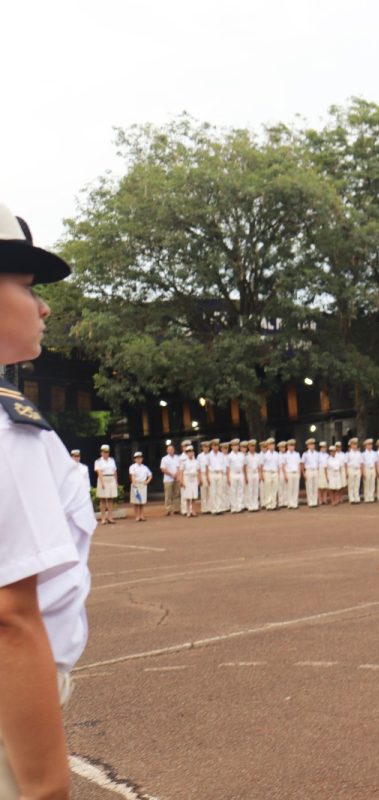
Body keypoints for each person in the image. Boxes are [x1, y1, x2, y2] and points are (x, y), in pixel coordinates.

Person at [0, 202, 94, 800]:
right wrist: (45, 788)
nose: (44, 307)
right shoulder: (8, 430)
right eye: (28, 286)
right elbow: (9, 618)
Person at [94, 443, 118, 525]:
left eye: (107, 452)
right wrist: (102, 483)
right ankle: (103, 518)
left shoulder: (112, 460)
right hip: (103, 478)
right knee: (103, 499)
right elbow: (99, 472)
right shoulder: (98, 461)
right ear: (101, 452)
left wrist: (116, 481)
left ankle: (110, 517)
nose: (105, 454)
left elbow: (115, 471)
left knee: (111, 499)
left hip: (111, 479)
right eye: (104, 452)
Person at [128, 452, 152, 522]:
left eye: (140, 458)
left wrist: (147, 481)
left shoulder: (145, 467)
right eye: (137, 458)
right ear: (135, 459)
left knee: (142, 501)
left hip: (143, 484)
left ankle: (141, 515)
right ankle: (137, 516)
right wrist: (134, 483)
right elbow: (132, 475)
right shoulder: (132, 467)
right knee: (136, 502)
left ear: (142, 459)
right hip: (136, 484)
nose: (139, 459)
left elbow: (150, 475)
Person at [160, 443, 180, 516]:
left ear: (174, 450)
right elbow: (163, 469)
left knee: (177, 494)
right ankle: (168, 509)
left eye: (172, 449)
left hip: (176, 478)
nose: (171, 451)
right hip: (168, 479)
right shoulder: (164, 458)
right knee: (168, 495)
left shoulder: (177, 457)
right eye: (169, 449)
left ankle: (176, 509)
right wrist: (172, 474)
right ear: (167, 451)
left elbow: (179, 467)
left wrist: (176, 474)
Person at [180, 443, 200, 517]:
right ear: (187, 453)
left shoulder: (196, 461)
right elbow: (181, 471)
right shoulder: (184, 462)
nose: (190, 453)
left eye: (191, 452)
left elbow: (198, 471)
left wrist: (198, 480)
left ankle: (193, 511)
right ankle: (188, 511)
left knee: (194, 496)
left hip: (194, 478)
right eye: (189, 452)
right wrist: (182, 481)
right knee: (188, 496)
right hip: (187, 478)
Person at [362, 437, 377, 503]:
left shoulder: (374, 453)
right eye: (368, 444)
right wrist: (363, 472)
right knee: (367, 484)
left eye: (371, 444)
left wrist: (376, 471)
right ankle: (367, 497)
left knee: (372, 483)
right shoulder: (363, 454)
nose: (370, 446)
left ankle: (371, 497)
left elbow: (375, 463)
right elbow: (362, 464)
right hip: (367, 469)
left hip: (372, 469)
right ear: (365, 446)